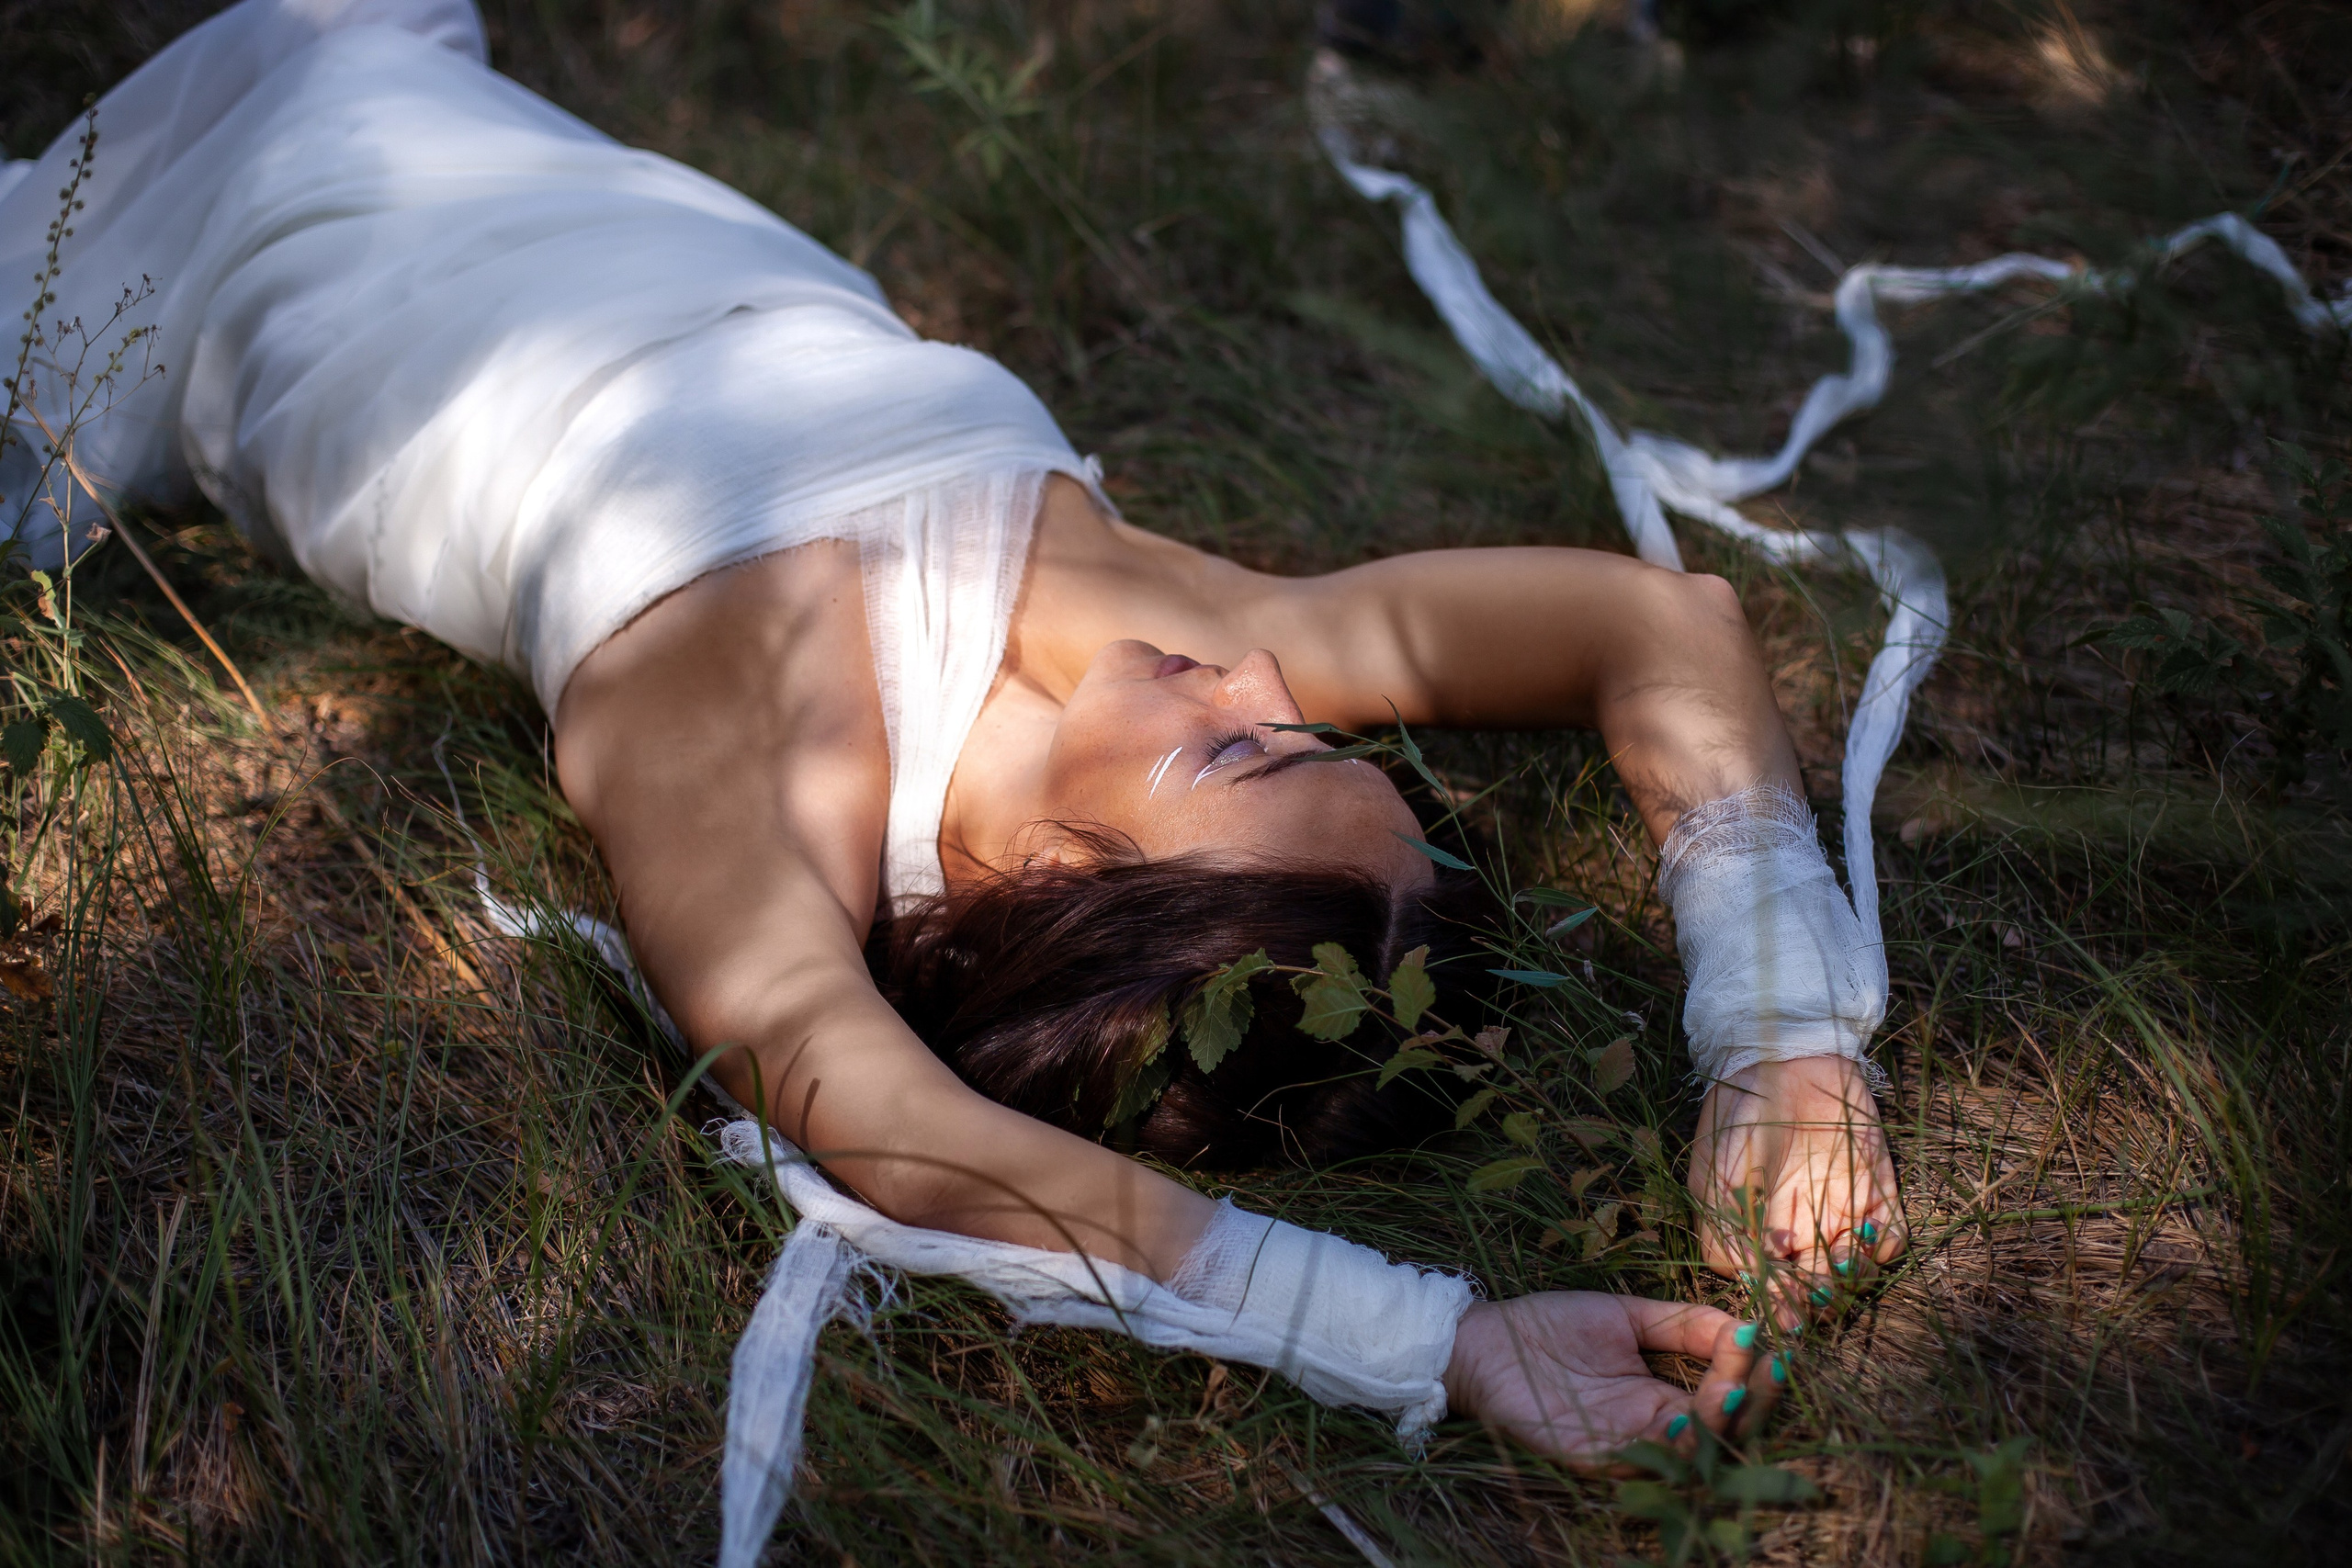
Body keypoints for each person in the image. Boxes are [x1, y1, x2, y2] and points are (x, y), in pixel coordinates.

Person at [1, 0, 1900, 1470]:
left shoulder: (731, 739)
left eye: (1242, 757)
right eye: (1305, 728)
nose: (1253, 676)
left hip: (300, 251)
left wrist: (1429, 1336)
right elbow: (1659, 626)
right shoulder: (1147, 621)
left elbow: (889, 1126)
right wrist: (1782, 1039)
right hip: (533, 178)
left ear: (1078, 891)